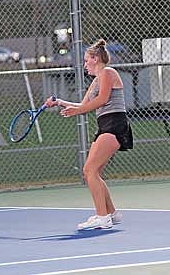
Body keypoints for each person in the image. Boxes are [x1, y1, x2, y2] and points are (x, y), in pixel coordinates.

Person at [45, 39, 133, 230]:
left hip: (115, 125)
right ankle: (111, 213)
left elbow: (102, 100)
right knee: (95, 172)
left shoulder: (108, 73)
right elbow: (84, 106)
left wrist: (77, 112)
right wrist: (60, 102)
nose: (85, 65)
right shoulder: (95, 81)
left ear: (95, 58)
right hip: (104, 126)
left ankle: (102, 217)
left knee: (89, 170)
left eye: (86, 61)